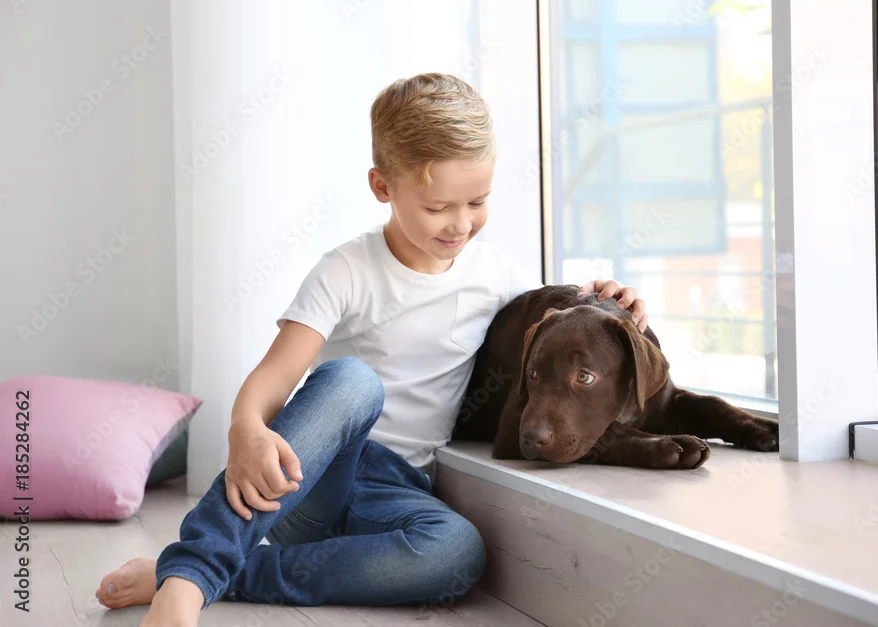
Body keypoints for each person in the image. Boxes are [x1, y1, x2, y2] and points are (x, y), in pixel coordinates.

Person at [94, 72, 650, 626]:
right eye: (438, 207)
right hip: (311, 480)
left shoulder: (497, 275)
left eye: (477, 202)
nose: (460, 224)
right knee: (353, 380)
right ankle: (190, 576)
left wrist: (607, 299)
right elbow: (275, 376)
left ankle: (207, 574)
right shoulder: (346, 270)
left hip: (397, 490)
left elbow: (563, 322)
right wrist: (246, 427)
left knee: (459, 552)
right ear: (382, 186)